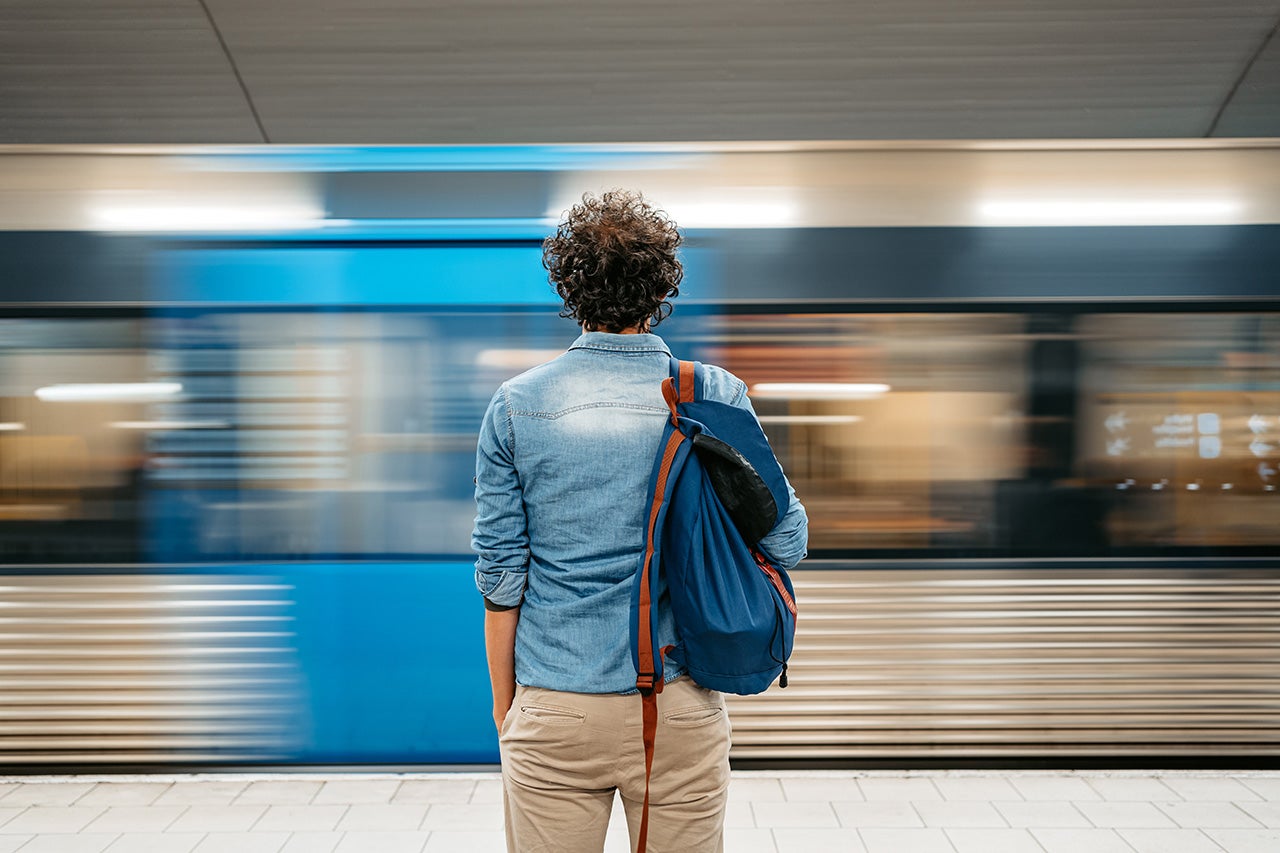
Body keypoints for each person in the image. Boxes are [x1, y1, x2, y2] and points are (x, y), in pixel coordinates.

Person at [472, 190, 808, 853]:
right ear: (662, 286)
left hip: (554, 704)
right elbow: (788, 541)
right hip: (678, 705)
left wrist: (508, 709)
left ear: (570, 288)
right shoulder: (711, 393)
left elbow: (501, 578)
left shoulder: (515, 406)